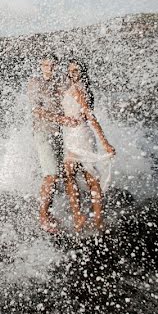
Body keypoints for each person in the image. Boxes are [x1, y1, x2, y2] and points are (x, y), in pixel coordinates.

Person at [59, 59, 116, 232]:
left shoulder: (79, 90)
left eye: (76, 70)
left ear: (82, 72)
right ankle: (79, 216)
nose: (73, 73)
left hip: (82, 135)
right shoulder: (69, 88)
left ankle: (97, 218)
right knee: (70, 175)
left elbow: (90, 117)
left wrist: (105, 142)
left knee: (89, 176)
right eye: (70, 71)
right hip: (70, 135)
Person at [29, 56, 81, 234]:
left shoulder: (60, 82)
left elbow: (74, 97)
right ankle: (43, 216)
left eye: (52, 65)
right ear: (40, 66)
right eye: (45, 65)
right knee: (50, 175)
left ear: (56, 66)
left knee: (62, 174)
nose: (49, 68)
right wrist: (62, 119)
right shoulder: (35, 83)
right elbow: (37, 110)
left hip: (61, 133)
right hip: (43, 132)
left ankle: (56, 213)